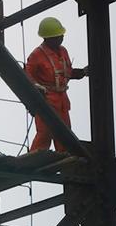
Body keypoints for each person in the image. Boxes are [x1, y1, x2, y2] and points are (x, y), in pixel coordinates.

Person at [25, 16, 88, 152]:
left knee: (64, 133)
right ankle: (36, 158)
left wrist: (82, 72)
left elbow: (66, 72)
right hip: (46, 99)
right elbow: (27, 73)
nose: (61, 38)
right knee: (44, 133)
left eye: (61, 35)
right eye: (58, 36)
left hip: (62, 100)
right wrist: (35, 86)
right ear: (48, 38)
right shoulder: (36, 55)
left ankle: (65, 157)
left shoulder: (63, 51)